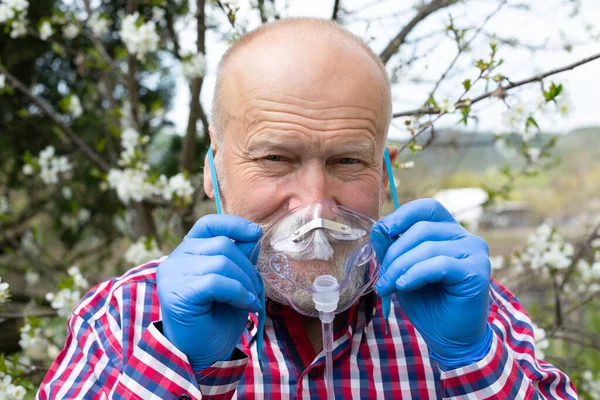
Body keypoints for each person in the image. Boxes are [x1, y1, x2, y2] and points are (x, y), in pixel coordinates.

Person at [38, 18, 577, 399]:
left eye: (347, 161)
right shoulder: (124, 317)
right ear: (213, 167)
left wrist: (473, 361)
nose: (316, 206)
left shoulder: (476, 311)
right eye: (275, 158)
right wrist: (179, 367)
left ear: (384, 171)